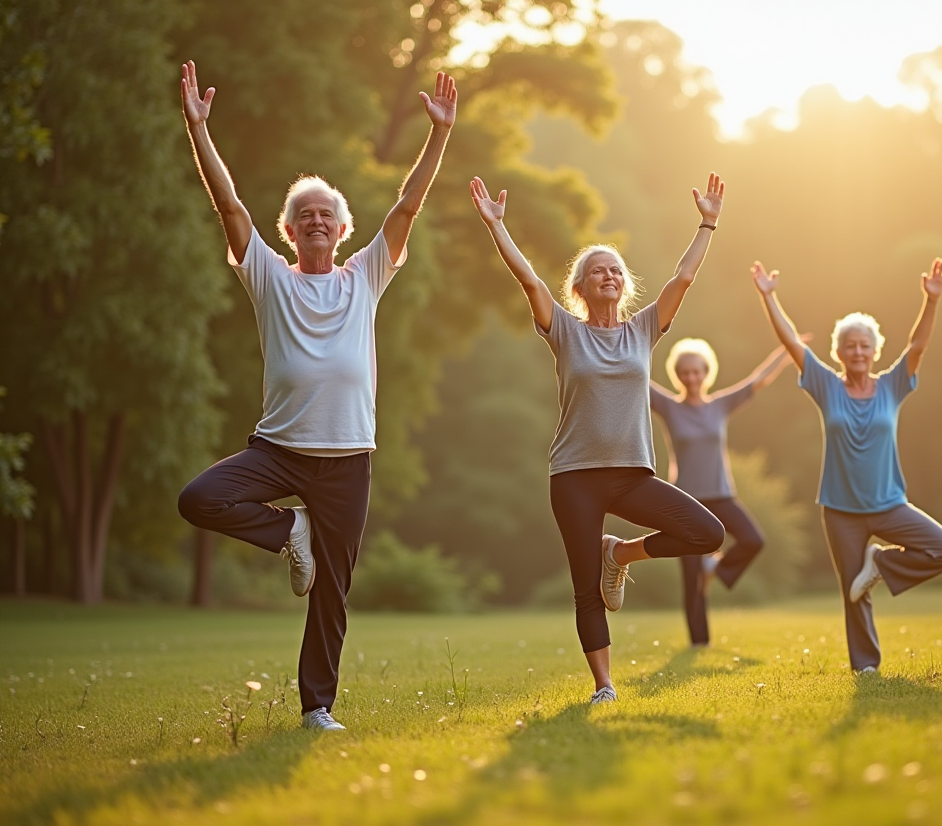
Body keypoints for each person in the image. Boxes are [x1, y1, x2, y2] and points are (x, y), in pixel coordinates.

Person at [175, 61, 458, 731]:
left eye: (326, 213)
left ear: (343, 227)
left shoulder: (366, 277)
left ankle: (317, 708)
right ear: (290, 232)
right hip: (279, 450)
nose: (315, 220)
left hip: (348, 458)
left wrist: (439, 134)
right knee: (199, 498)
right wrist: (198, 129)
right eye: (304, 215)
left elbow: (407, 206)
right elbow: (229, 206)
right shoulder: (269, 278)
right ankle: (290, 531)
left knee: (333, 589)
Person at [470, 172, 728, 704]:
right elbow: (529, 281)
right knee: (585, 587)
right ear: (581, 288)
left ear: (623, 283)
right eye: (596, 271)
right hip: (574, 477)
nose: (607, 275)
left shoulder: (643, 330)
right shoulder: (565, 331)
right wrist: (497, 227)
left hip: (632, 476)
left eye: (614, 270)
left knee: (707, 533)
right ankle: (604, 685)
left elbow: (682, 277)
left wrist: (707, 223)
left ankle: (622, 554)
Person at [752, 257, 942, 674]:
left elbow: (917, 347)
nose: (858, 351)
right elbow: (792, 342)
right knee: (853, 589)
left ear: (875, 350)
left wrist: (932, 301)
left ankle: (881, 564)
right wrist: (769, 297)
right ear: (839, 352)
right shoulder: (826, 385)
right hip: (841, 510)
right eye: (850, 345)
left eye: (865, 345)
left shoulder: (892, 386)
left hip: (889, 503)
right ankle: (866, 665)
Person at [649, 338, 794, 647]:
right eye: (685, 372)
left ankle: (716, 567)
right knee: (692, 578)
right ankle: (699, 642)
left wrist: (787, 349)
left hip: (720, 494)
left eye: (696, 371)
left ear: (706, 372)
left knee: (753, 540)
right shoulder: (669, 407)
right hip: (685, 501)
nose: (691, 377)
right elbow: (637, 378)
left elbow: (757, 380)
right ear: (677, 375)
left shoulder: (720, 405)